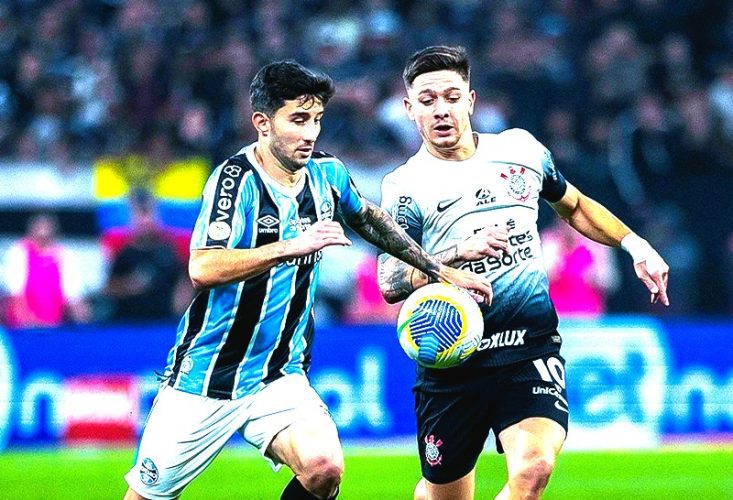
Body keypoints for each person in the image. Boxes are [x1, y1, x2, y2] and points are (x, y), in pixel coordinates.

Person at [123, 60, 492, 500]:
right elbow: (202, 267)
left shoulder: (326, 173)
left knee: (324, 468)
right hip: (206, 378)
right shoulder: (235, 181)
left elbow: (369, 218)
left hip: (279, 375)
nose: (311, 132)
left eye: (316, 119)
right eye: (298, 120)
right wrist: (289, 246)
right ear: (262, 123)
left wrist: (436, 267)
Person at [377, 46, 670, 500]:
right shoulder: (404, 186)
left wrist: (636, 245)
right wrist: (453, 256)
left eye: (451, 97)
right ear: (409, 109)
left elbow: (573, 205)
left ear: (470, 101)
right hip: (452, 362)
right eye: (428, 100)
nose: (441, 110)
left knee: (534, 469)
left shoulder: (520, 150)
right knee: (444, 494)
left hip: (528, 348)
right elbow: (389, 281)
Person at [2, 213, 89, 327]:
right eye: (39, 231)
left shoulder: (64, 255)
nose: (42, 237)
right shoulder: (18, 252)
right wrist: (31, 324)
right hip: (21, 326)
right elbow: (15, 296)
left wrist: (84, 324)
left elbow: (74, 297)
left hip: (54, 326)